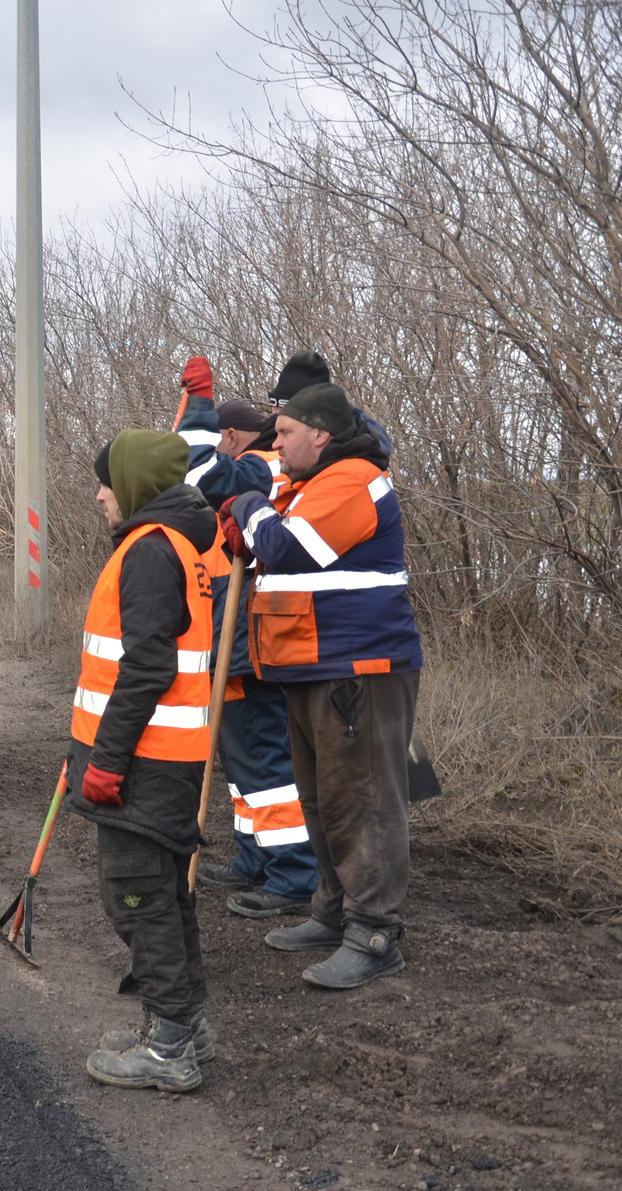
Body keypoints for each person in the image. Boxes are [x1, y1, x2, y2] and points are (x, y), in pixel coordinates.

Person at [220, 381, 422, 990]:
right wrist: (251, 519)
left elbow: (286, 548)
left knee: (361, 802)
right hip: (313, 667)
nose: (274, 444)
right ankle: (333, 913)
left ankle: (375, 933)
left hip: (357, 669)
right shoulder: (307, 484)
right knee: (321, 800)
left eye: (282, 433)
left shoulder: (352, 480)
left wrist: (250, 507)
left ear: (320, 435)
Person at [72, 427, 218, 1093]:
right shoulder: (174, 546)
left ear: (132, 486)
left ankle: (167, 1047)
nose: (100, 494)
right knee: (162, 892)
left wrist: (106, 758)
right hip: (162, 755)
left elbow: (148, 666)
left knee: (136, 895)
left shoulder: (153, 552)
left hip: (146, 760)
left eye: (107, 481)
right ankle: (186, 1021)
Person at [176, 368, 321, 917]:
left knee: (265, 764)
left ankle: (293, 875)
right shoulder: (271, 467)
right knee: (244, 766)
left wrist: (198, 407)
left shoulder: (263, 468)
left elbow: (198, 472)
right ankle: (255, 856)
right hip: (231, 639)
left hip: (252, 640)